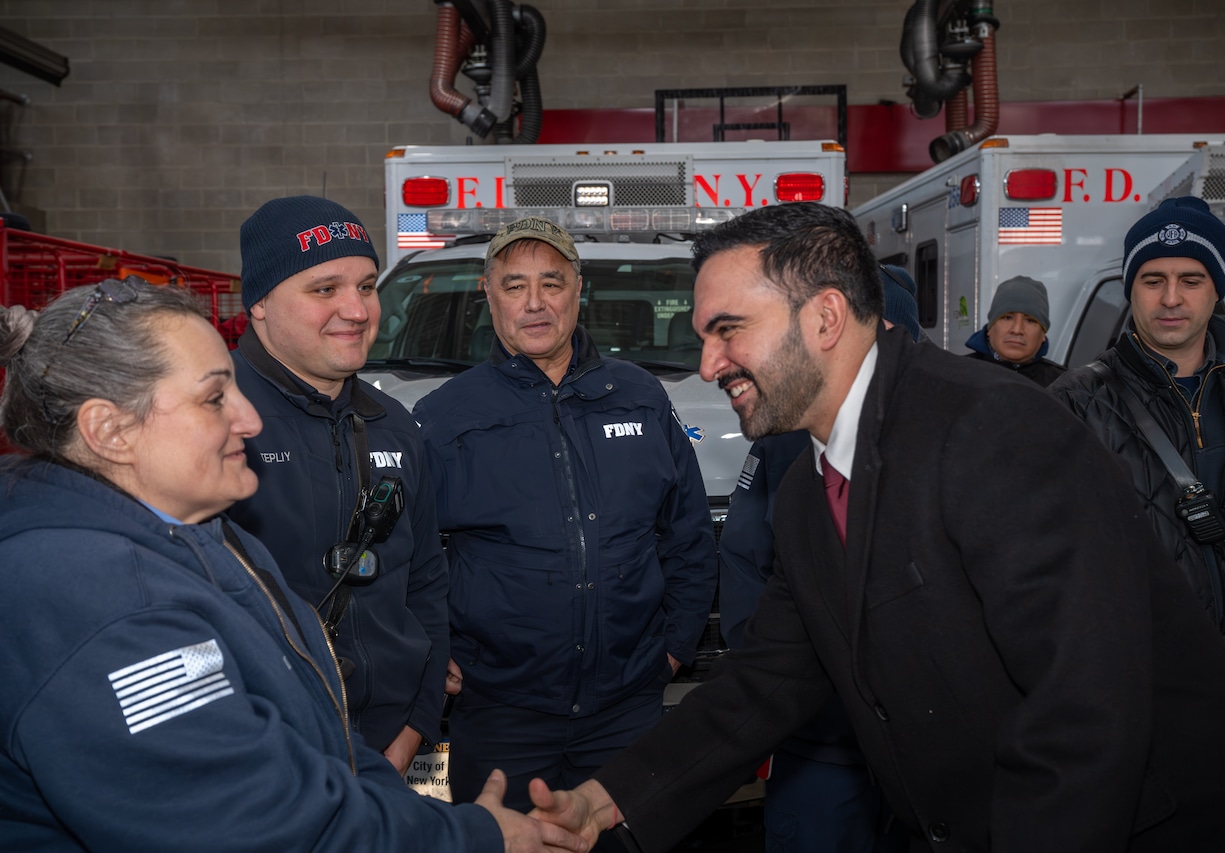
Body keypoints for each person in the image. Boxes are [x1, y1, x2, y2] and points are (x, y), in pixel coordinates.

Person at [527, 202, 1225, 853]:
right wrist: (607, 798)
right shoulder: (804, 493)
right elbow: (768, 683)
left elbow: (1084, 709)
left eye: (727, 330)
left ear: (824, 317)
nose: (707, 362)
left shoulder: (992, 429)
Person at [0, 281, 588, 851]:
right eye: (214, 399)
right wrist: (473, 837)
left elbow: (318, 738)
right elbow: (248, 820)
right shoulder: (102, 601)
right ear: (108, 430)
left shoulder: (203, 533)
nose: (248, 420)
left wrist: (414, 812)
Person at [414, 216, 718, 811]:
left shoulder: (641, 397)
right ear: (488, 291)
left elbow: (688, 533)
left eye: (551, 284)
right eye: (514, 285)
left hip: (628, 707)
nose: (535, 304)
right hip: (502, 712)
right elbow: (408, 554)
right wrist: (432, 646)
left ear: (580, 289)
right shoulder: (442, 417)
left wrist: (676, 645)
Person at [225, 195, 448, 774]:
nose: (357, 310)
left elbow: (425, 581)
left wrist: (416, 724)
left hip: (393, 743)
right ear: (260, 304)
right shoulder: (216, 423)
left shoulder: (394, 425)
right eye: (325, 289)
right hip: (268, 749)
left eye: (368, 286)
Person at [716, 264, 923, 853]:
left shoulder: (946, 437)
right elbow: (743, 557)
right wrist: (783, 678)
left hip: (928, 741)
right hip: (822, 742)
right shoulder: (786, 435)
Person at [1052, 196, 1225, 710]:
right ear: (1131, 289)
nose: (1171, 298)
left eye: (1191, 280)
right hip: (1136, 692)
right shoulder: (1072, 405)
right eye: (1153, 280)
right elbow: (1048, 566)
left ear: (1216, 291)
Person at [964, 275, 1065, 386]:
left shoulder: (1064, 386)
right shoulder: (958, 375)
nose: (1017, 330)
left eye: (1030, 320)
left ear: (1043, 334)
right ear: (990, 328)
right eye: (1007, 318)